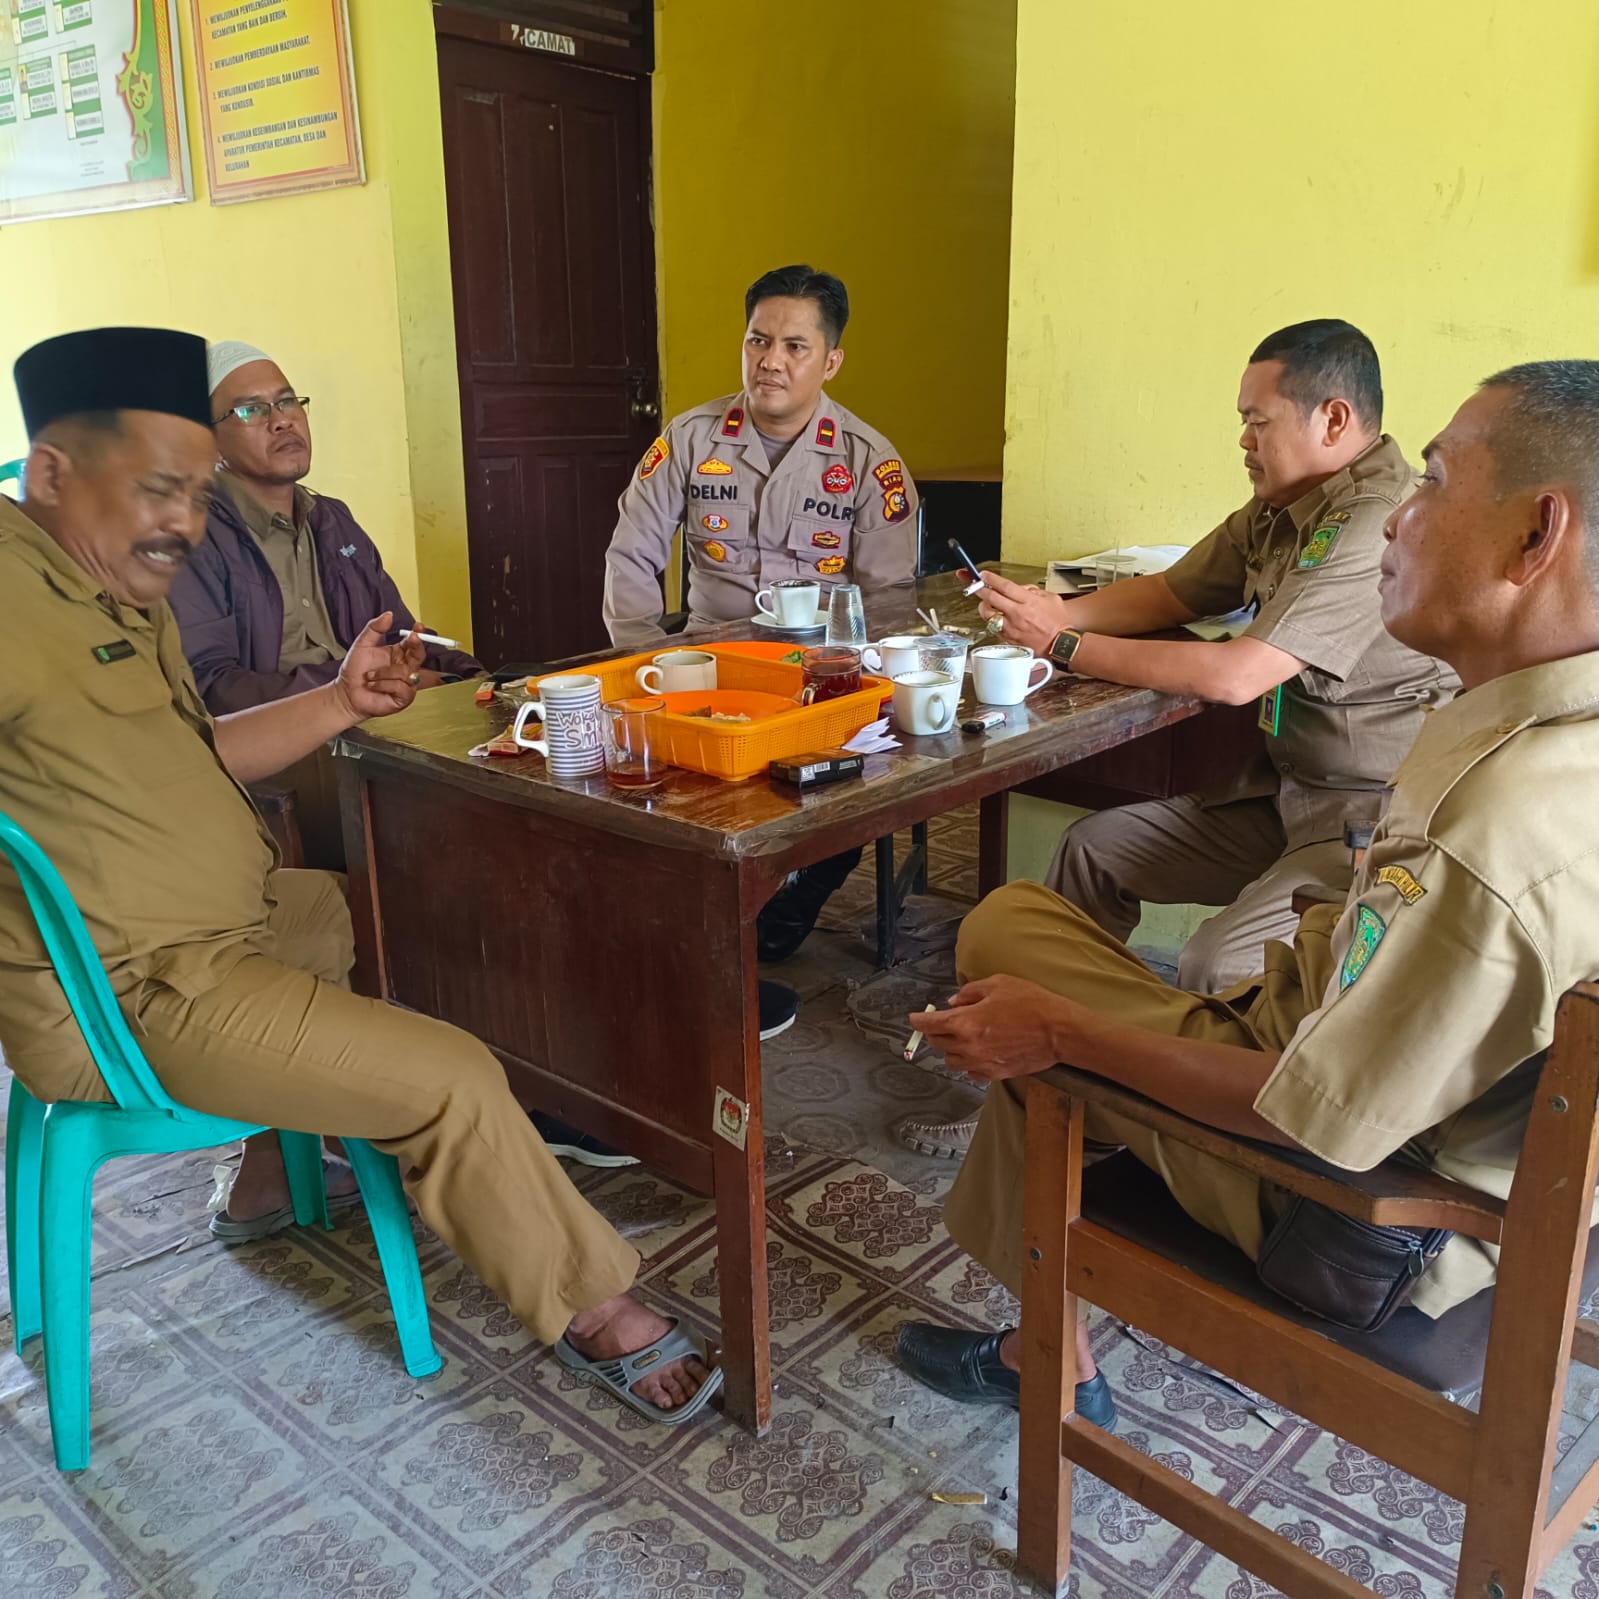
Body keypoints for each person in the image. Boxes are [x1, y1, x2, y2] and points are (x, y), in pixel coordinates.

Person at [0, 327, 719, 1424]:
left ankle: (448, 1147)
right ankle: (593, 1304)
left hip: (244, 917)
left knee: (433, 919)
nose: (184, 524)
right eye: (157, 490)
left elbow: (204, 754)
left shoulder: (111, 590)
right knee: (450, 1075)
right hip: (137, 987)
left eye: (196, 494)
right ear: (52, 472)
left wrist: (340, 699)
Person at [894, 359, 1599, 1433]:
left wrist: (1064, 1033)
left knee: (1017, 995)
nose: (1404, 519)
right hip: (1371, 1075)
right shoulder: (1545, 741)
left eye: (1437, 483)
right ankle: (1045, 1321)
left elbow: (1316, 1121)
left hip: (1353, 1219)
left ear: (1535, 537)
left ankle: (1045, 1349)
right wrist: (1056, 614)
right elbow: (1183, 592)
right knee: (1045, 913)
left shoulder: (1498, 833)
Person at [899, 320, 1457, 1160]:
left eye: (1257, 420)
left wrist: (1063, 646)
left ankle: (1178, 1144)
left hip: (1364, 822)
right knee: (1094, 850)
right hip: (1284, 795)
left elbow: (1238, 675)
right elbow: (1170, 590)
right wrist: (1050, 612)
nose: (1242, 439)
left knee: (1211, 961)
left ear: (1333, 420)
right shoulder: (1279, 510)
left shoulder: (1372, 517)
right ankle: (1040, 1084)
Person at [603, 265, 920, 964]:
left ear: (830, 360)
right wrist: (640, 662)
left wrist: (858, 689)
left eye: (794, 346)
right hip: (704, 670)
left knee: (848, 785)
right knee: (660, 795)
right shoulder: (689, 440)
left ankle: (787, 900)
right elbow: (630, 558)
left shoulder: (870, 462)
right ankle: (693, 924)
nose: (770, 361)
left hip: (816, 678)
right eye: (757, 340)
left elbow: (891, 599)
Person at [167, 341, 482, 871]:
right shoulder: (191, 538)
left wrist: (477, 682)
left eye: (288, 402)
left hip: (379, 721)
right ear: (210, 443)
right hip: (296, 754)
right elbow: (213, 687)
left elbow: (404, 634)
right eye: (251, 409)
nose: (281, 421)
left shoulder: (333, 519)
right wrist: (350, 691)